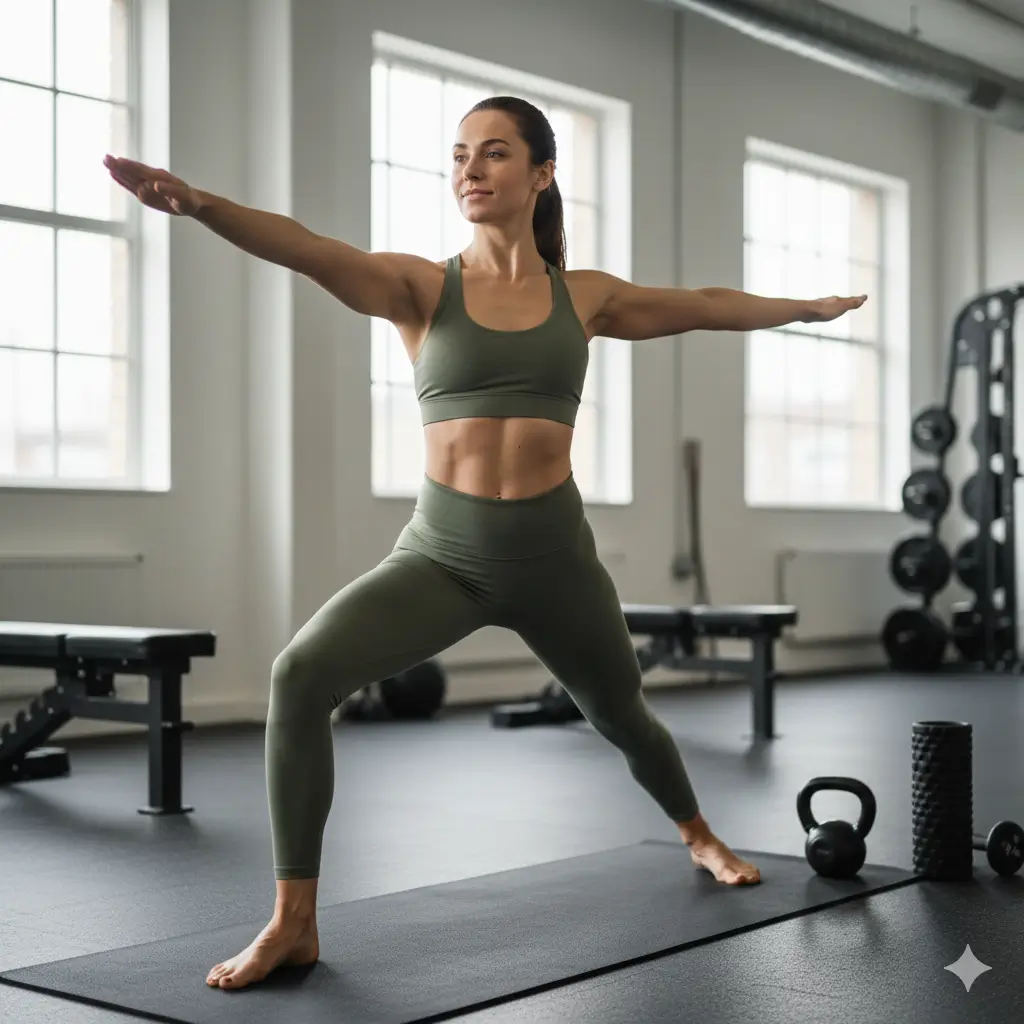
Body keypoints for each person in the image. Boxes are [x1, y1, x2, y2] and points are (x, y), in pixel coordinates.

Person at [104, 95, 865, 992]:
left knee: (622, 716)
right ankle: (294, 922)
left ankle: (698, 834)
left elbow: (701, 304)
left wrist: (804, 309)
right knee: (299, 675)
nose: (470, 168)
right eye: (460, 154)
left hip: (555, 562)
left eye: (494, 153)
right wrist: (201, 205)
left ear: (541, 174)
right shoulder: (422, 289)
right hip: (443, 558)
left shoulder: (584, 297)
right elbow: (310, 249)